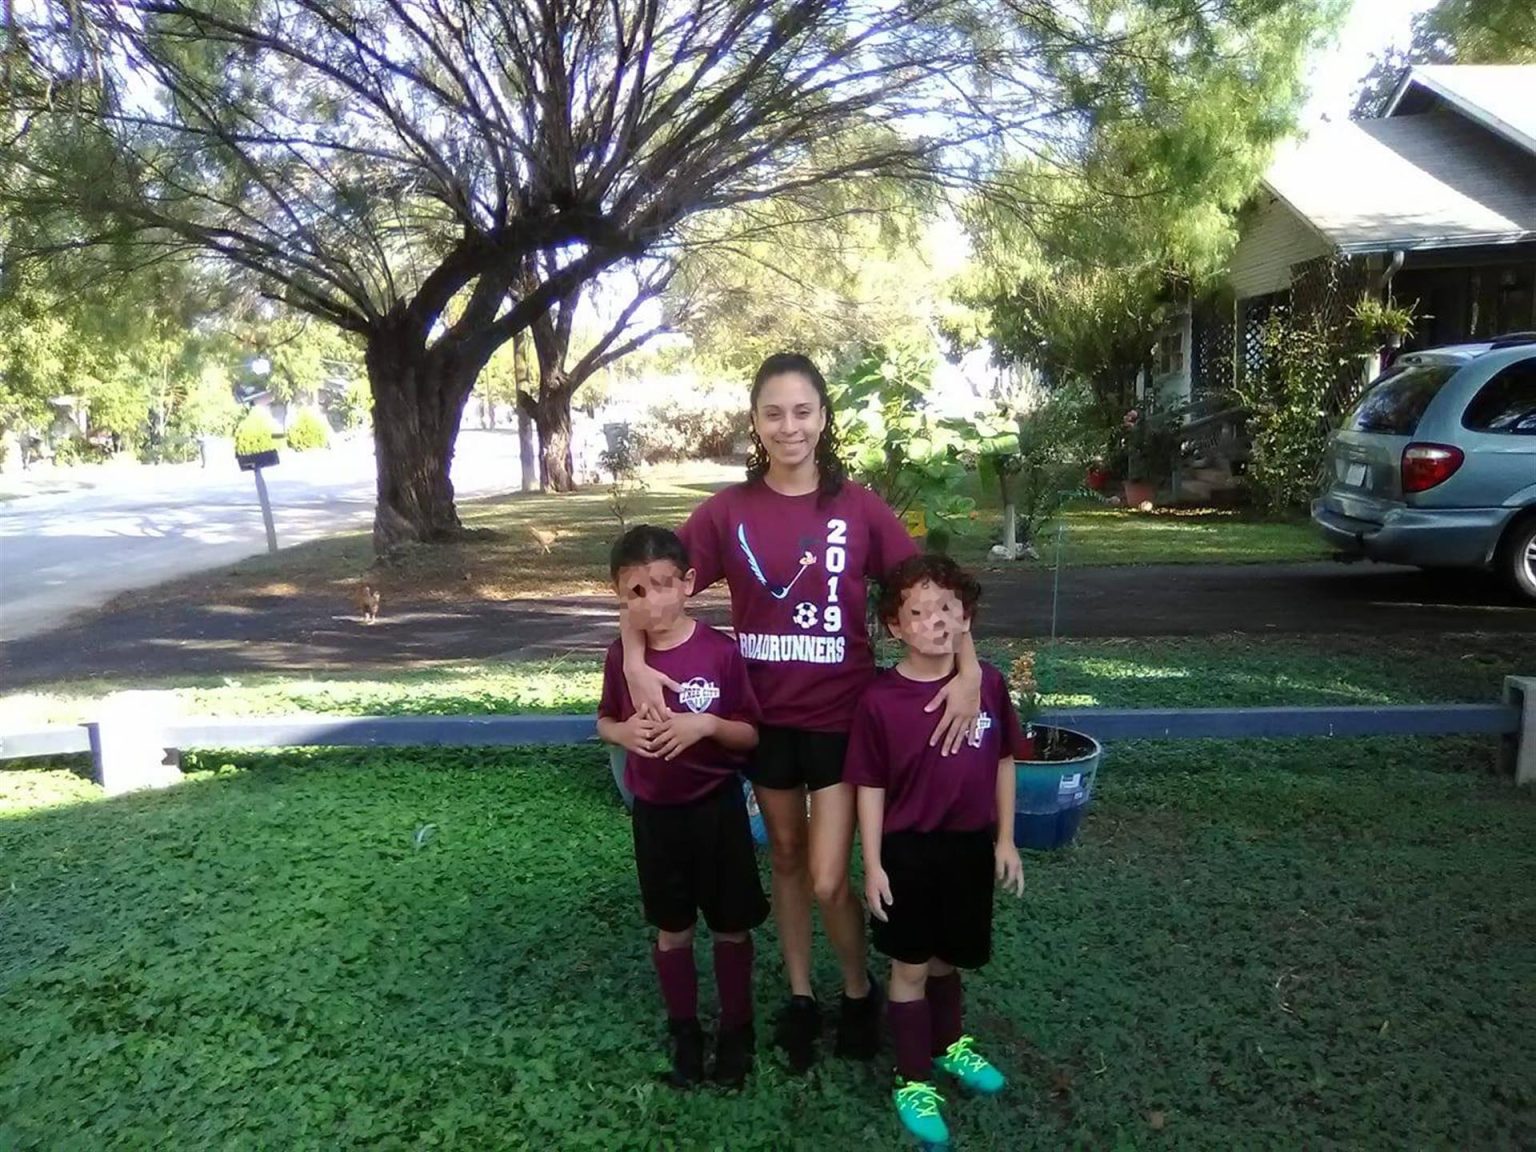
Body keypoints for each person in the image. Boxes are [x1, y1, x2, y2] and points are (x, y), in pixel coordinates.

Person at [621, 352, 984, 1072]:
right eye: (773, 412)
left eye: (803, 411)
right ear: (755, 421)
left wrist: (969, 670)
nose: (789, 426)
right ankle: (799, 998)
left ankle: (856, 992)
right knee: (785, 857)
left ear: (823, 418)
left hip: (843, 722)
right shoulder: (728, 512)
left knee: (825, 877)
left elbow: (930, 591)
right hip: (765, 720)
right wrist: (634, 658)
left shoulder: (859, 507)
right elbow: (653, 584)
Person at [847, 553, 1026, 1147]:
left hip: (970, 847)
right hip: (908, 852)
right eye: (918, 612)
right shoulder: (881, 701)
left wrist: (1005, 839)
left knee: (950, 957)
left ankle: (951, 1046)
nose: (935, 621)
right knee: (910, 966)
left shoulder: (989, 684)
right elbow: (869, 786)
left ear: (967, 617)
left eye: (948, 607)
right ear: (895, 627)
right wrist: (872, 864)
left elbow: (1003, 759)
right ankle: (912, 1077)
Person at [597, 525, 769, 1090]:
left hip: (716, 812)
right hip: (656, 816)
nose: (653, 602)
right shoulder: (621, 655)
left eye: (664, 585)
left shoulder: (718, 651)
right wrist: (621, 733)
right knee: (673, 931)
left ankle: (737, 1032)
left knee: (730, 929)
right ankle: (686, 1033)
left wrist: (706, 724)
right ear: (621, 598)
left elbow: (748, 734)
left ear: (689, 583)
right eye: (636, 593)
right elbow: (604, 721)